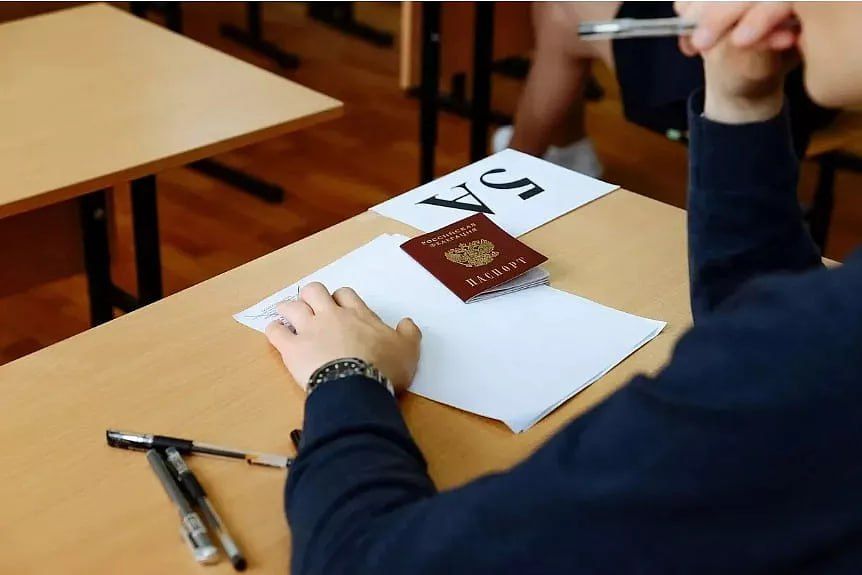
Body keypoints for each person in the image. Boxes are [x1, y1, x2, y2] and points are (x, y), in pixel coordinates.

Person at [265, 3, 862, 573]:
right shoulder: (812, 350)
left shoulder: (829, 362)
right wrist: (739, 98)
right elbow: (760, 330)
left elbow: (356, 560)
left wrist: (346, 377)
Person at [495, 2, 833, 175]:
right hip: (749, 55)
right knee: (556, 11)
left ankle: (510, 172)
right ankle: (556, 153)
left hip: (762, 66)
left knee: (561, 12)